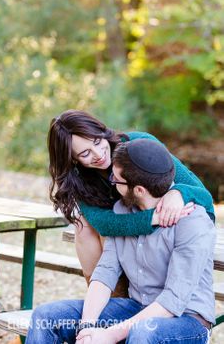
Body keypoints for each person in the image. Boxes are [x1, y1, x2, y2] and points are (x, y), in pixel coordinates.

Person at [25, 139, 216, 344]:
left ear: (139, 190)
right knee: (45, 317)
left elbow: (173, 300)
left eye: (116, 180)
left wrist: (108, 334)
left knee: (142, 332)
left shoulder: (193, 221)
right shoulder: (122, 211)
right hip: (136, 308)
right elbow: (106, 272)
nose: (111, 183)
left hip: (187, 321)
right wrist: (88, 327)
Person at [47, 110, 214, 282]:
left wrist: (179, 192)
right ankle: (109, 298)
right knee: (83, 226)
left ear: (102, 132)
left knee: (109, 233)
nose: (98, 154)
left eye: (97, 142)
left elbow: (204, 197)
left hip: (174, 224)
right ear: (72, 159)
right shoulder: (78, 179)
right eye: (85, 154)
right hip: (147, 224)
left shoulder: (139, 145)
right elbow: (103, 223)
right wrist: (151, 218)